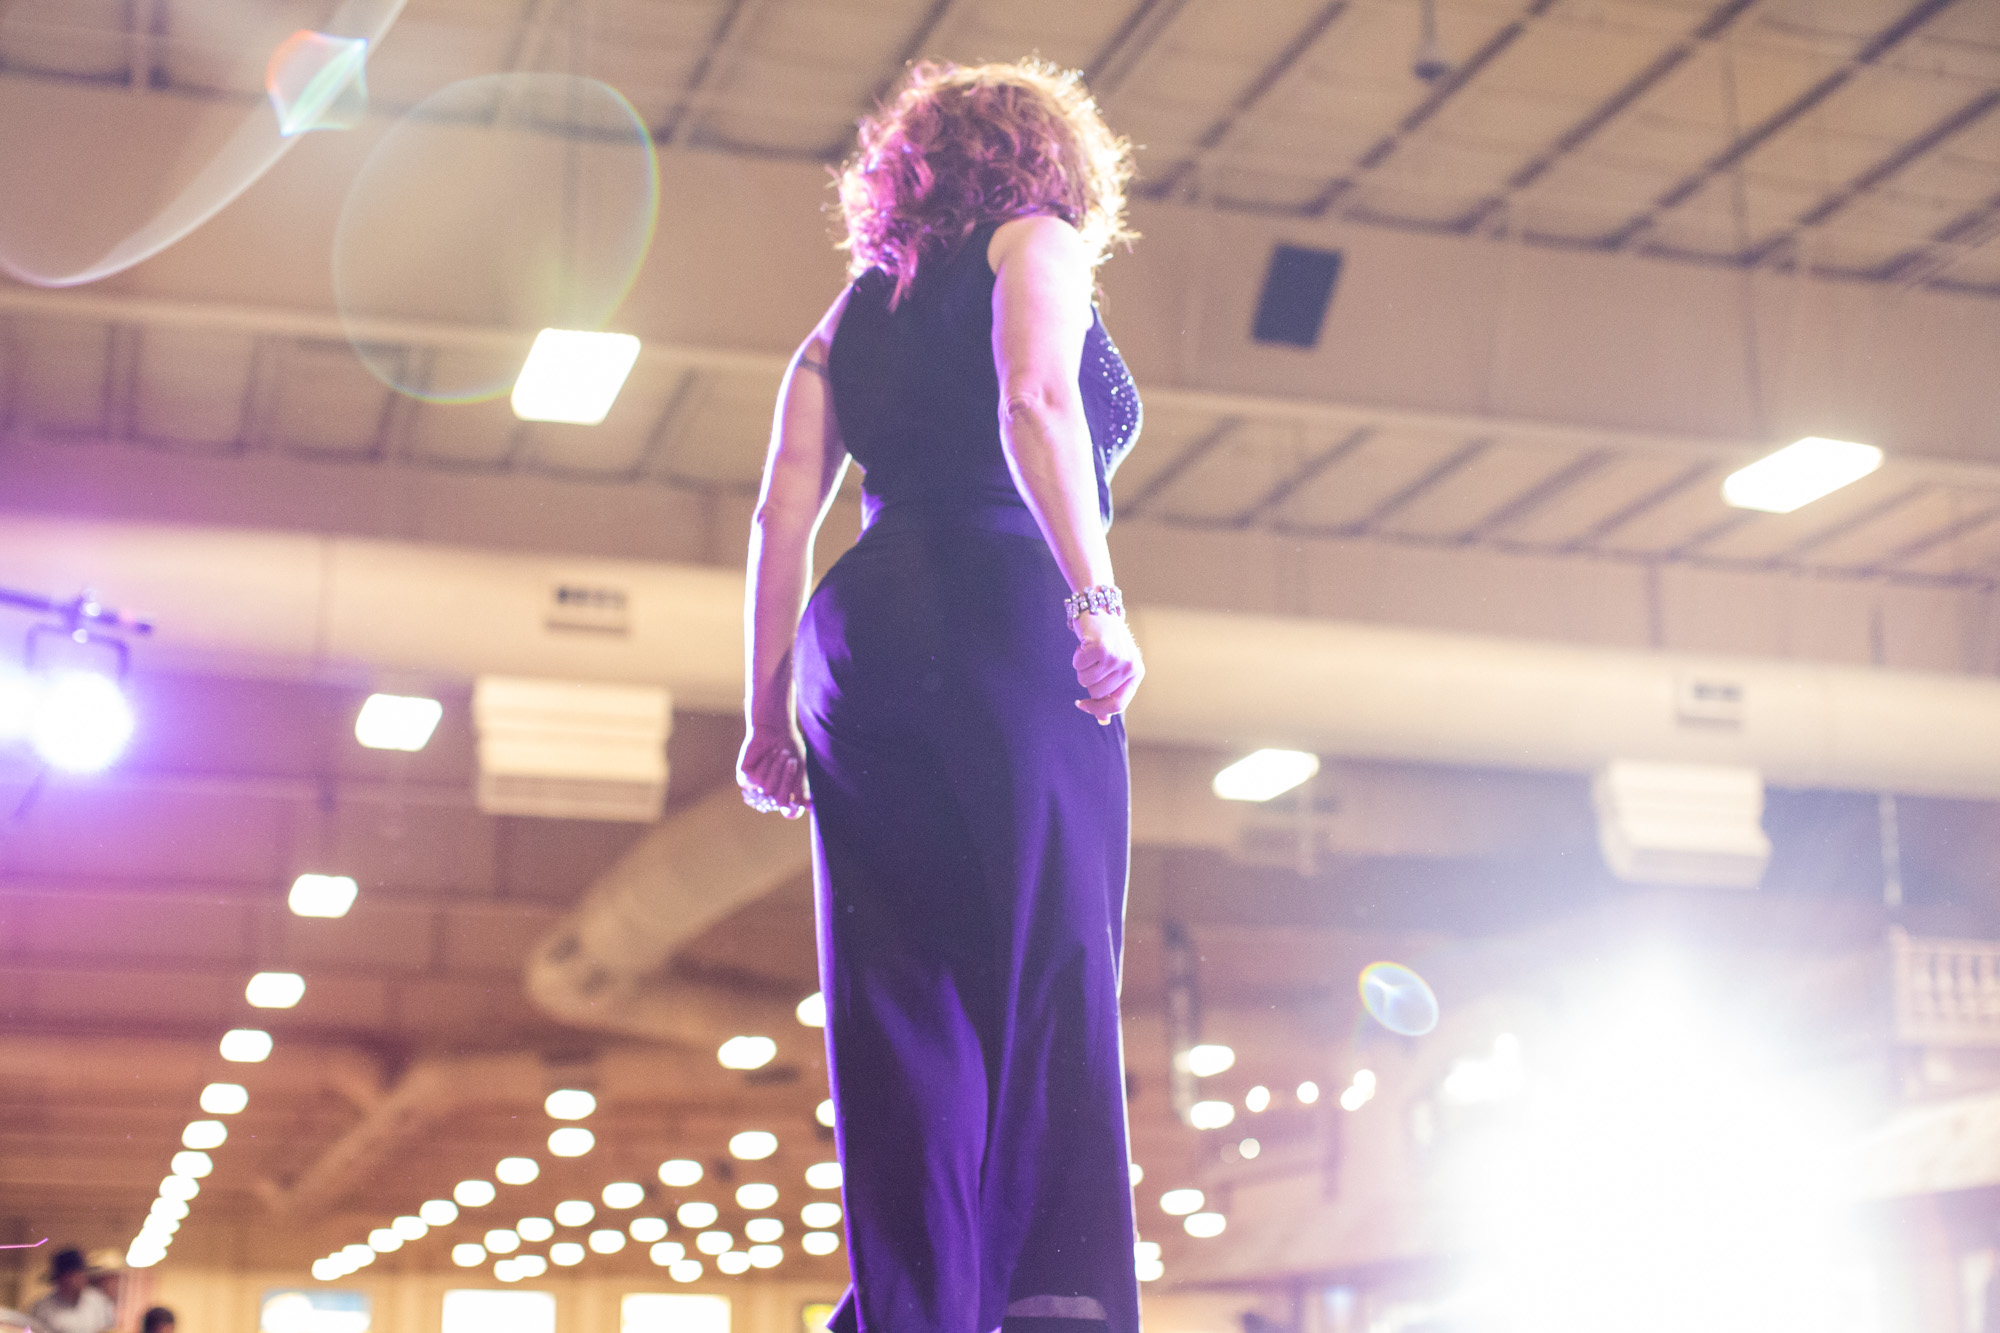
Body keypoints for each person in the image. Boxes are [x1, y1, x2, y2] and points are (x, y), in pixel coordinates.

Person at [737, 59, 1145, 1333]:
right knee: (1051, 958)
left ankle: (911, 1310)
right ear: (1053, 160)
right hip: (998, 614)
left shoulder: (851, 310)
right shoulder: (1041, 239)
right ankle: (1048, 1297)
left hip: (852, 642)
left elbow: (777, 513)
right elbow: (1033, 401)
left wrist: (764, 713)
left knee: (898, 1000)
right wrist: (1096, 598)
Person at [25, 1251, 113, 1333]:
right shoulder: (43, 1308)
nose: (80, 1279)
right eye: (73, 1275)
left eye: (81, 1274)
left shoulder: (99, 1302)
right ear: (61, 1279)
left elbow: (110, 1328)